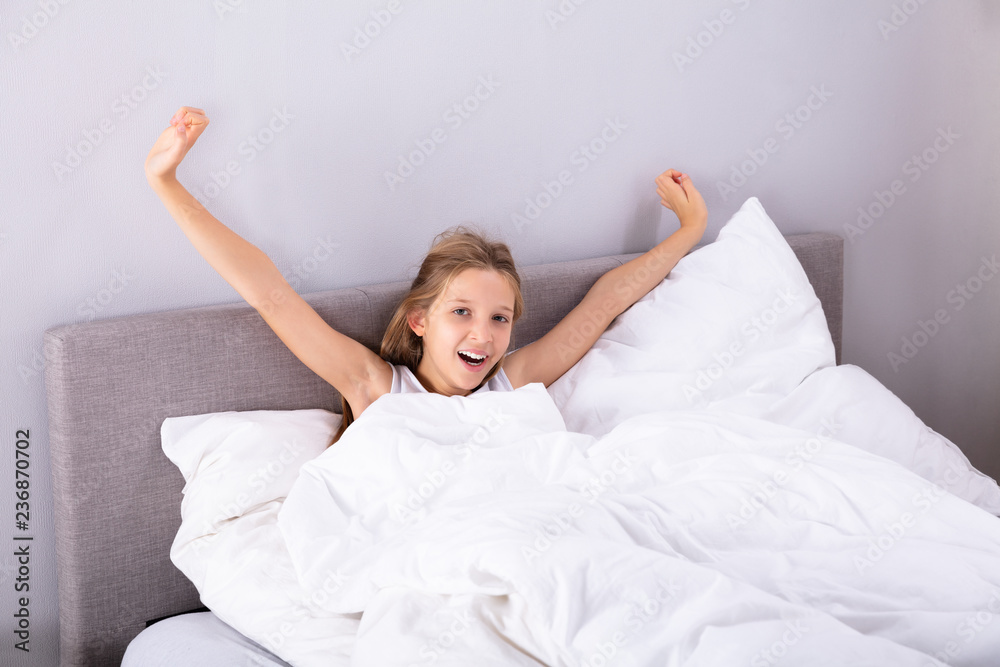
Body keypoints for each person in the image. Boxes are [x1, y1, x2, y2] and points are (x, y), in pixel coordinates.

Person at [144, 106, 708, 441]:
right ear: (419, 320)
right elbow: (268, 293)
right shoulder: (377, 388)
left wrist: (689, 231)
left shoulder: (513, 382)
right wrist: (165, 183)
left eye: (500, 318)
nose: (483, 335)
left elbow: (603, 305)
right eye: (461, 312)